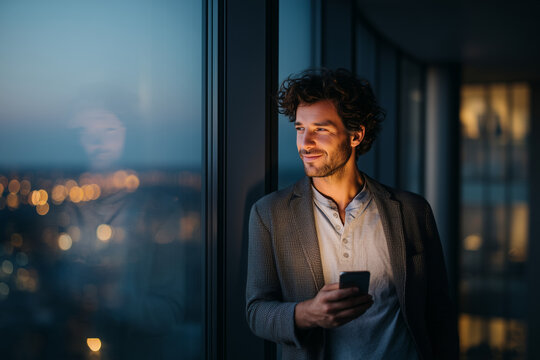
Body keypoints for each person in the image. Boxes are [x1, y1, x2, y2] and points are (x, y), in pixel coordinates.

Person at [245, 68, 459, 359]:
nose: (305, 143)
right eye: (299, 128)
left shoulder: (412, 211)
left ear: (356, 134)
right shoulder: (270, 213)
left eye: (320, 129)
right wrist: (308, 313)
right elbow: (256, 311)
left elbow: (439, 313)